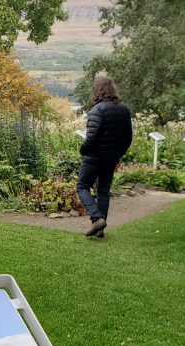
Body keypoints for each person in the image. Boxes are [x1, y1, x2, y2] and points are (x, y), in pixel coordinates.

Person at [77, 76, 133, 238]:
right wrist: (117, 155)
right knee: (103, 191)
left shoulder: (97, 110)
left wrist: (83, 150)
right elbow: (127, 138)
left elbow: (91, 137)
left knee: (82, 186)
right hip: (110, 159)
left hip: (94, 157)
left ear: (97, 90)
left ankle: (97, 218)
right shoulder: (124, 110)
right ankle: (100, 229)